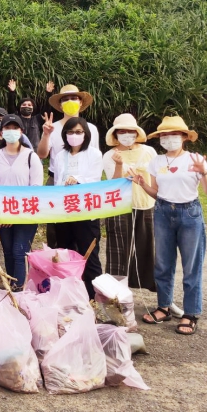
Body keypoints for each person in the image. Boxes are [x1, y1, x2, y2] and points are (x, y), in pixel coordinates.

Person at [135, 116, 207, 336]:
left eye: (173, 135)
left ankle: (191, 313)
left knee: (192, 266)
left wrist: (205, 172)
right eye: (164, 135)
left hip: (189, 213)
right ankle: (164, 306)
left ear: (184, 137)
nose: (168, 139)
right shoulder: (157, 162)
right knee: (163, 264)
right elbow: (156, 192)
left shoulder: (196, 159)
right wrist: (142, 185)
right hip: (162, 212)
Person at [37, 84, 99, 248]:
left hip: (83, 184)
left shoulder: (90, 129)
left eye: (74, 98)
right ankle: (59, 267)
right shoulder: (53, 127)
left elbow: (94, 161)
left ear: (80, 102)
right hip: (56, 182)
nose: (70, 101)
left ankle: (83, 268)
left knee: (83, 230)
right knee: (56, 230)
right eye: (66, 99)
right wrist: (45, 134)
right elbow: (42, 154)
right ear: (60, 104)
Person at [102, 114, 158, 292]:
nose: (127, 134)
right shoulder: (110, 155)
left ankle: (152, 289)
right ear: (116, 134)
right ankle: (115, 295)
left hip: (145, 204)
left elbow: (157, 178)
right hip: (119, 207)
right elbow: (113, 184)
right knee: (118, 251)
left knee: (147, 248)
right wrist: (119, 165)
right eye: (122, 131)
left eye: (130, 131)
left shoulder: (149, 151)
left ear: (136, 132)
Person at [0, 114, 43, 288]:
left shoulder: (30, 156)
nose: (11, 132)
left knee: (20, 251)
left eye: (15, 128)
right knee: (8, 252)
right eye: (7, 128)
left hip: (26, 214)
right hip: (3, 214)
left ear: (21, 131)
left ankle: (19, 291)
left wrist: (15, 214)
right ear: (1, 132)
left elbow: (35, 189)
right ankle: (11, 288)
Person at [50, 117, 104, 299]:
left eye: (79, 132)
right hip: (64, 213)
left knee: (89, 256)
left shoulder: (95, 154)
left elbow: (95, 179)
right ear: (65, 135)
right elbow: (57, 181)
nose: (74, 136)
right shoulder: (59, 156)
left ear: (86, 134)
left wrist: (78, 180)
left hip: (86, 212)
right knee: (65, 254)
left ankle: (93, 297)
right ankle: (69, 296)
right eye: (70, 132)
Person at [6, 79, 48, 148]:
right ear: (19, 107)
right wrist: (12, 92)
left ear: (33, 108)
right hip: (18, 150)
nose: (26, 106)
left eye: (29, 105)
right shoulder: (16, 118)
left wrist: (48, 93)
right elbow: (11, 106)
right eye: (24, 105)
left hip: (35, 152)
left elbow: (46, 111)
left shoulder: (37, 119)